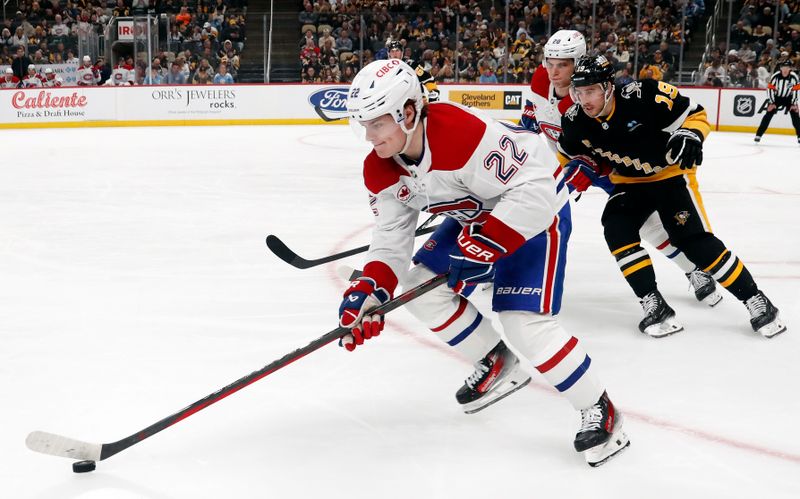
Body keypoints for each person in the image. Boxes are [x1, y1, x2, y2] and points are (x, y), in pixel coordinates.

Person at [337, 59, 630, 467]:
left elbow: (535, 187)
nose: (369, 137)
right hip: (476, 220)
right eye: (363, 125)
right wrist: (369, 291)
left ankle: (602, 410)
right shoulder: (380, 167)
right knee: (419, 286)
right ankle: (495, 360)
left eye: (376, 124)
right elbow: (391, 239)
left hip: (534, 213)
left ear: (406, 113)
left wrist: (485, 246)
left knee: (522, 322)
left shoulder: (458, 133)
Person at [557, 55, 786, 339]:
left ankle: (756, 299)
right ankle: (654, 304)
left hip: (671, 175)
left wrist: (691, 133)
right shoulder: (575, 119)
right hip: (629, 183)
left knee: (694, 243)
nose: (584, 99)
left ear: (608, 87)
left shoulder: (645, 95)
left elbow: (696, 114)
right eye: (578, 92)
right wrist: (581, 167)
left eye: (590, 90)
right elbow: (567, 154)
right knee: (616, 228)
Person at [521, 30, 721, 312]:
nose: (554, 71)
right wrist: (527, 123)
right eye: (550, 62)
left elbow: (608, 147)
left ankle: (693, 269)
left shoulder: (587, 100)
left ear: (577, 62)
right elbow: (535, 108)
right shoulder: (540, 79)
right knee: (531, 206)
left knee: (649, 226)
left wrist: (589, 168)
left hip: (609, 169)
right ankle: (509, 262)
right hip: (563, 163)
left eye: (563, 64)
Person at [754, 60, 800, 144]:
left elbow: (796, 90)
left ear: (790, 69)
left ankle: (799, 136)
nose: (785, 69)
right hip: (776, 98)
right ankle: (758, 135)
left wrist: (793, 103)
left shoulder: (794, 77)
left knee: (796, 117)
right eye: (783, 67)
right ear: (780, 68)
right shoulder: (775, 76)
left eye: (787, 67)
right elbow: (770, 89)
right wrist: (771, 102)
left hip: (789, 98)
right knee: (768, 115)